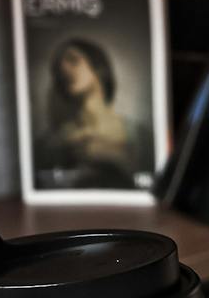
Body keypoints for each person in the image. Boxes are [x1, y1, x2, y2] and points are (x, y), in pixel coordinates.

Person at [34, 37, 135, 190]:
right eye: (58, 69)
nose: (64, 70)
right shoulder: (50, 143)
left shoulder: (138, 134)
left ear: (98, 67)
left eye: (73, 60)